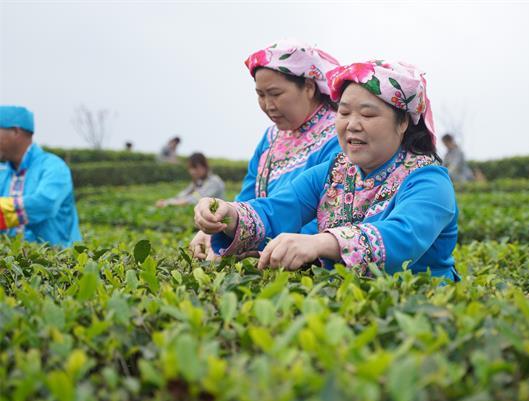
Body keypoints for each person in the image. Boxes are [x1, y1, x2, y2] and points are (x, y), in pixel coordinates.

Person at [192, 61, 459, 280]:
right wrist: (229, 213)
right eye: (344, 113)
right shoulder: (334, 172)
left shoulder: (428, 179)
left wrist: (321, 243)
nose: (352, 125)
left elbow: (403, 237)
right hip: (343, 301)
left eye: (367, 115)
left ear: (402, 122)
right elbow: (279, 208)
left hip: (419, 307)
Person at [189, 40, 342, 259]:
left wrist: (271, 248)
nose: (268, 105)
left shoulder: (338, 135)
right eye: (261, 95)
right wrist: (217, 228)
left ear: (308, 87)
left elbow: (331, 214)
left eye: (275, 93)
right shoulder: (270, 138)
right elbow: (247, 197)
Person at [0, 106, 81, 247]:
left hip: (58, 262)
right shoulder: (5, 172)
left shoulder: (53, 167)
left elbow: (45, 203)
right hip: (15, 262)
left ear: (15, 131)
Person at [156, 152, 225, 207]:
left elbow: (197, 200)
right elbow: (184, 195)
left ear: (204, 166)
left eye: (195, 167)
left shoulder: (214, 182)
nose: (192, 172)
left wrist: (168, 203)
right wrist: (167, 201)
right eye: (191, 168)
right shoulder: (198, 181)